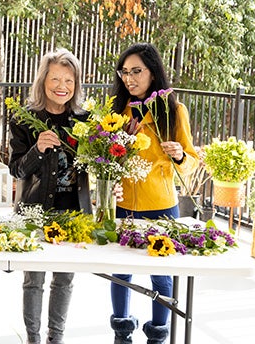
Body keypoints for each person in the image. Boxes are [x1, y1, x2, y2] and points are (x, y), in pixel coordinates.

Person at [108, 42, 199, 344]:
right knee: (121, 272)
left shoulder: (174, 111)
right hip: (123, 204)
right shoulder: (116, 111)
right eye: (124, 72)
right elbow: (104, 158)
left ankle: (157, 336)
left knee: (161, 272)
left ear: (153, 72)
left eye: (136, 71)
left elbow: (191, 162)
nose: (129, 79)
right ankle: (122, 333)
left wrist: (179, 156)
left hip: (161, 205)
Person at [8, 48, 90, 344]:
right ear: (43, 81)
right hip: (34, 210)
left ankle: (56, 338)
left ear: (76, 84)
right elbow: (15, 169)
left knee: (64, 279)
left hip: (73, 211)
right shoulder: (25, 119)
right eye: (55, 78)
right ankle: (32, 338)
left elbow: (94, 167)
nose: (62, 86)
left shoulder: (85, 120)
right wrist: (37, 149)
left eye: (69, 80)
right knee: (34, 280)